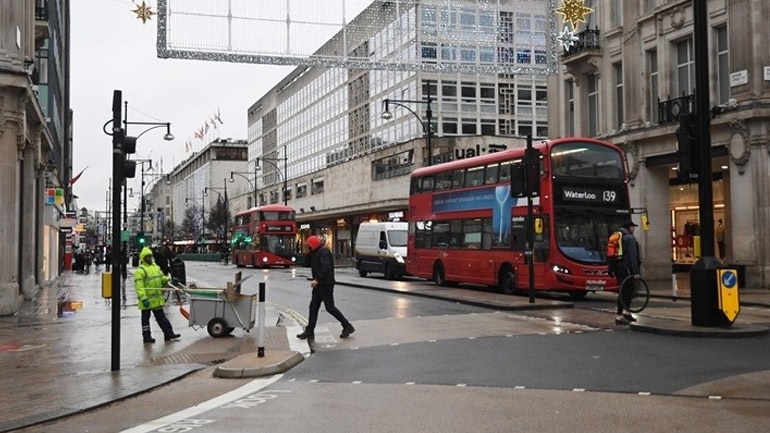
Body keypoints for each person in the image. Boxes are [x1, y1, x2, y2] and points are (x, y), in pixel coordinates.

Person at [296, 235, 355, 340]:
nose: (307, 248)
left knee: (330, 307)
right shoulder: (315, 252)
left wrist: (317, 279)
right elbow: (306, 264)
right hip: (319, 285)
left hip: (325, 284)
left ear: (313, 245)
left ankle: (347, 326)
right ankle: (310, 330)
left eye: (308, 246)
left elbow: (326, 267)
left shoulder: (324, 252)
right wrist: (308, 254)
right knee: (313, 307)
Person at [134, 247, 181, 343]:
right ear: (143, 258)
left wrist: (170, 279)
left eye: (150, 256)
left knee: (162, 318)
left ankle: (168, 333)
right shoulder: (140, 271)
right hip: (146, 300)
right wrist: (143, 298)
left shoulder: (156, 267)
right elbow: (139, 286)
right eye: (147, 257)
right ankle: (146, 337)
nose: (149, 258)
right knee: (145, 321)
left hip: (156, 299)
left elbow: (162, 278)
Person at [608, 220, 641, 325]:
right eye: (632, 227)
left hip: (618, 267)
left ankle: (626, 312)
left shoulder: (617, 236)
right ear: (629, 228)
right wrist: (635, 271)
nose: (634, 229)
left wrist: (611, 268)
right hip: (626, 267)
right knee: (626, 291)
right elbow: (632, 256)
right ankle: (619, 315)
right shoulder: (629, 238)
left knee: (626, 289)